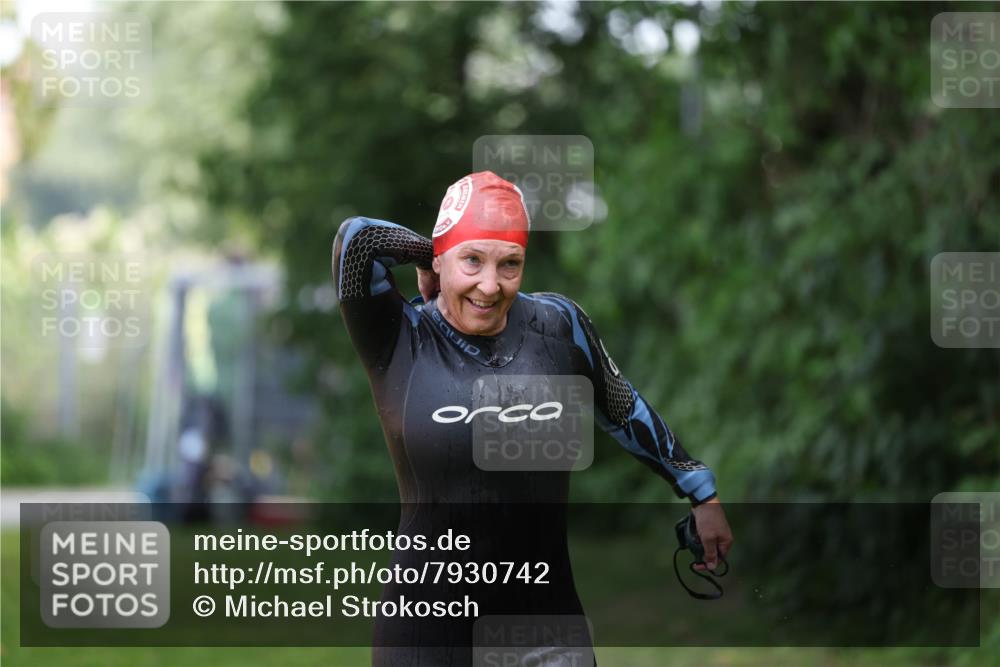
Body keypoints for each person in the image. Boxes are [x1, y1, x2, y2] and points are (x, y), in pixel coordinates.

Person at [333, 171, 734, 666]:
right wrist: (431, 251)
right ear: (442, 258)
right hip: (428, 629)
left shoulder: (557, 325)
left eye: (510, 264)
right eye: (472, 260)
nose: (489, 284)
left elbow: (621, 405)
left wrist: (699, 489)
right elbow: (358, 239)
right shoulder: (398, 336)